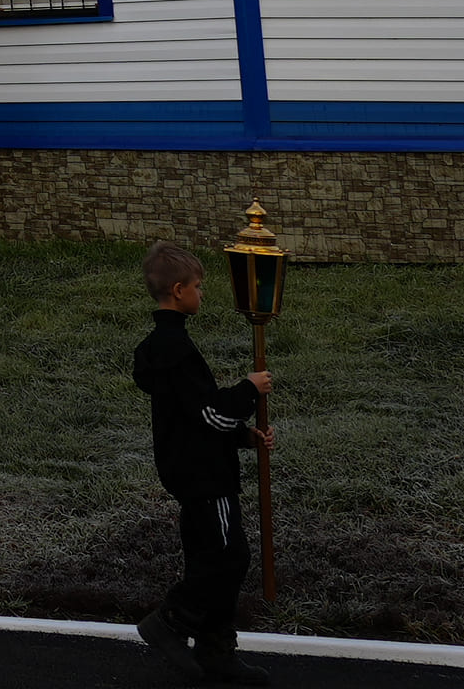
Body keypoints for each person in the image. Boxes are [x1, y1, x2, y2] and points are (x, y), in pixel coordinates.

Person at [133, 242, 275, 686]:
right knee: (229, 557)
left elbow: (192, 416)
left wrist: (243, 436)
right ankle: (171, 620)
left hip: (189, 468)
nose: (202, 293)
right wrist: (249, 389)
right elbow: (211, 412)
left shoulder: (163, 345)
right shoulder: (176, 348)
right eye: (198, 286)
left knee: (207, 556)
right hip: (204, 475)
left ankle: (215, 650)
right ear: (178, 290)